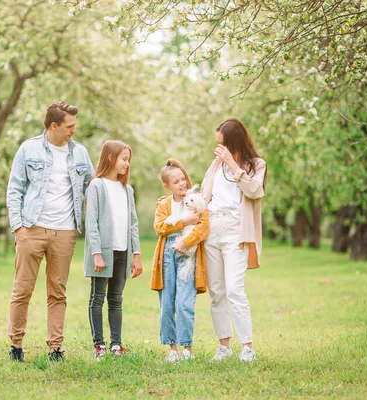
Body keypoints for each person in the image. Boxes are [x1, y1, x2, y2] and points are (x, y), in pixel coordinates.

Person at [6, 101, 94, 362]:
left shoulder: (80, 153)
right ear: (53, 125)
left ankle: (55, 348)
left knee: (58, 292)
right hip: (31, 229)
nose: (73, 131)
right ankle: (16, 346)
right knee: (22, 290)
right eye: (69, 126)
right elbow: (15, 190)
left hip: (65, 232)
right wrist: (18, 227)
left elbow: (93, 186)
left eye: (75, 126)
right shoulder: (29, 148)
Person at [201, 118, 267, 362]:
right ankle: (224, 346)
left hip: (235, 231)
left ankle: (247, 347)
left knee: (235, 289)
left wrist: (232, 164)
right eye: (218, 145)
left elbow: (255, 191)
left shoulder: (256, 165)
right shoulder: (216, 165)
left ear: (235, 142)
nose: (220, 149)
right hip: (212, 230)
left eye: (224, 145)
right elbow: (206, 195)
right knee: (216, 291)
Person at [84, 140, 142, 361]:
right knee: (97, 298)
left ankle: (115, 344)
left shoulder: (127, 190)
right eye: (124, 159)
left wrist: (136, 255)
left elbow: (133, 224)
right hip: (102, 253)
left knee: (116, 299)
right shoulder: (96, 186)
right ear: (110, 158)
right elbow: (92, 223)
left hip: (123, 252)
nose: (127, 164)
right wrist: (96, 253)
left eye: (129, 160)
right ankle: (99, 345)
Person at [151, 159, 209, 362]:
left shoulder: (196, 201)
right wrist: (184, 222)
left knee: (185, 302)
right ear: (167, 186)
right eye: (176, 182)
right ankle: (172, 348)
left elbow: (203, 227)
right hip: (167, 254)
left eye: (183, 178)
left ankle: (187, 349)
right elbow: (159, 227)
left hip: (189, 254)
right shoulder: (164, 204)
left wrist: (186, 242)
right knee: (167, 302)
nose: (182, 183)